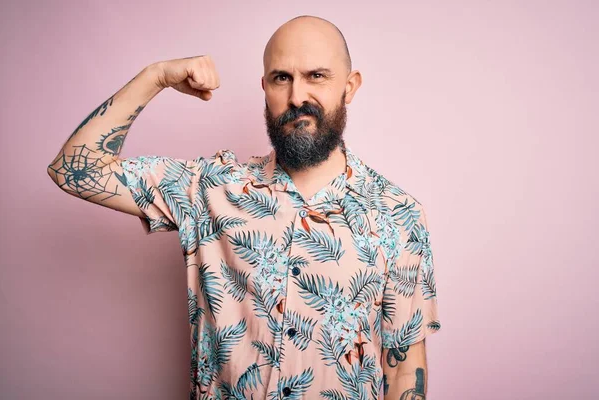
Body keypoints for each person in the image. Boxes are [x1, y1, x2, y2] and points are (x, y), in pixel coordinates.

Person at [47, 14, 441, 400]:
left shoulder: (399, 215)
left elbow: (405, 366)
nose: (297, 96)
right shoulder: (210, 187)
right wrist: (157, 77)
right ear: (264, 86)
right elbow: (75, 170)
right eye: (281, 78)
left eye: (316, 76)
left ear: (349, 86)